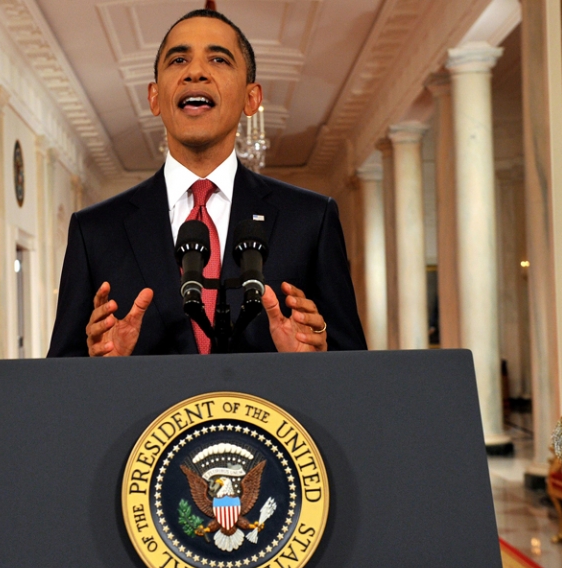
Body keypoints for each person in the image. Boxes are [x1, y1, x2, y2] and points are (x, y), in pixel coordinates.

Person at [47, 9, 366, 357]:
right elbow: (63, 378)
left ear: (251, 98)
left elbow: (352, 373)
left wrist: (315, 350)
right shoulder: (94, 231)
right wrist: (101, 368)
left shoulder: (310, 219)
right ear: (154, 97)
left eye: (218, 59)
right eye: (179, 59)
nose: (195, 72)